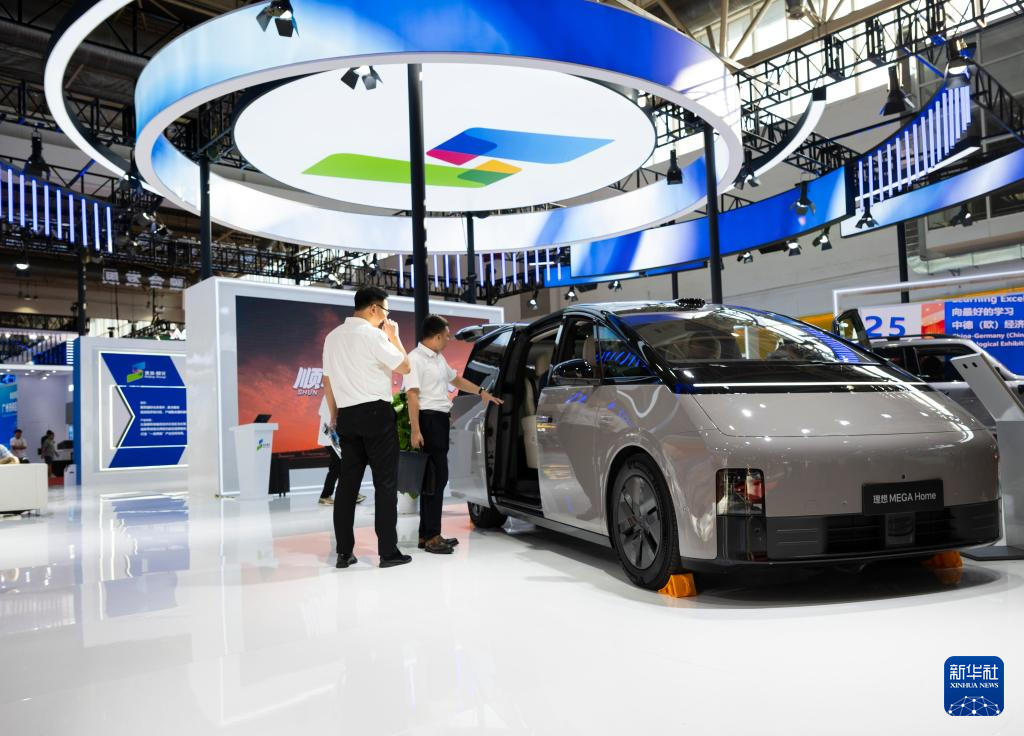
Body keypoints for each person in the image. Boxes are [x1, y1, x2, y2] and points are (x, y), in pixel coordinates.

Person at [322, 286, 413, 569]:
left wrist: (335, 415)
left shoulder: (332, 337)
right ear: (374, 308)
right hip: (376, 414)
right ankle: (388, 552)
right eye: (385, 310)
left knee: (347, 486)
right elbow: (406, 367)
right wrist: (395, 337)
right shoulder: (374, 335)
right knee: (385, 484)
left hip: (347, 416)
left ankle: (343, 553)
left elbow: (327, 381)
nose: (386, 316)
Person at [405, 315, 502, 554]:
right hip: (428, 420)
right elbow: (412, 396)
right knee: (435, 479)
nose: (449, 340)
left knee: (435, 479)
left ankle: (427, 534)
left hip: (439, 420)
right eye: (447, 336)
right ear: (437, 336)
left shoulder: (438, 358)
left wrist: (481, 391)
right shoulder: (415, 359)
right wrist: (415, 429)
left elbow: (456, 379)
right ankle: (431, 536)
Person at [316, 397, 364, 507]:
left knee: (340, 465)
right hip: (332, 437)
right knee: (338, 466)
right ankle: (326, 496)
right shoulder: (333, 396)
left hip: (332, 436)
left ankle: (350, 493)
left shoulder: (330, 396)